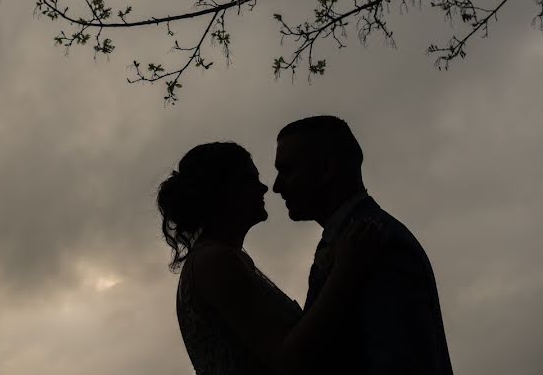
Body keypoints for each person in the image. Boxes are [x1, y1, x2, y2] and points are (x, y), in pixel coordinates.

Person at [157, 141, 381, 375]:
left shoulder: (223, 258)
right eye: (249, 180)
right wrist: (345, 269)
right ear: (222, 192)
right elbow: (286, 358)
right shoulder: (214, 261)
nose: (265, 188)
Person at [273, 115, 453, 375]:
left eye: (287, 170)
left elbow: (399, 362)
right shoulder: (350, 240)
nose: (277, 187)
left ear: (326, 170)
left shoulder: (380, 243)